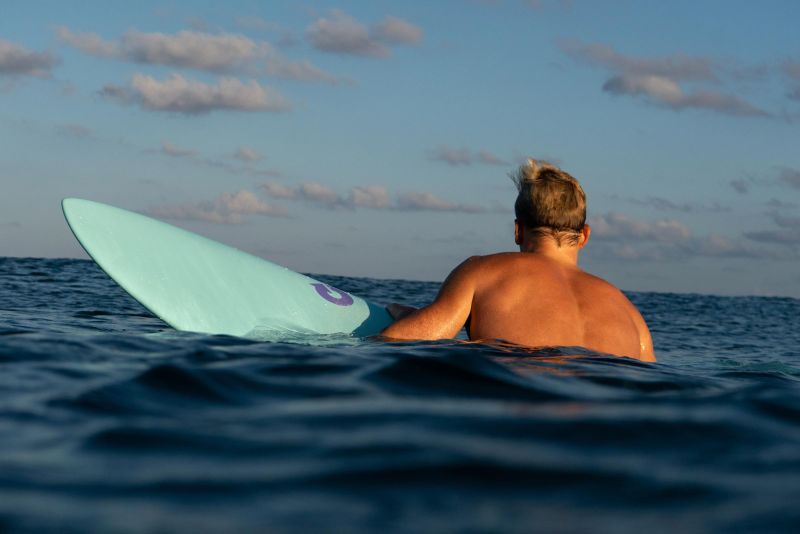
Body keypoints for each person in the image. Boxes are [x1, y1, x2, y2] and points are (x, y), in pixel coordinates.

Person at [381, 159, 655, 362]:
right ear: (584, 235)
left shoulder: (480, 273)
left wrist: (408, 316)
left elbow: (407, 340)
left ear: (518, 231)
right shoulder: (632, 317)